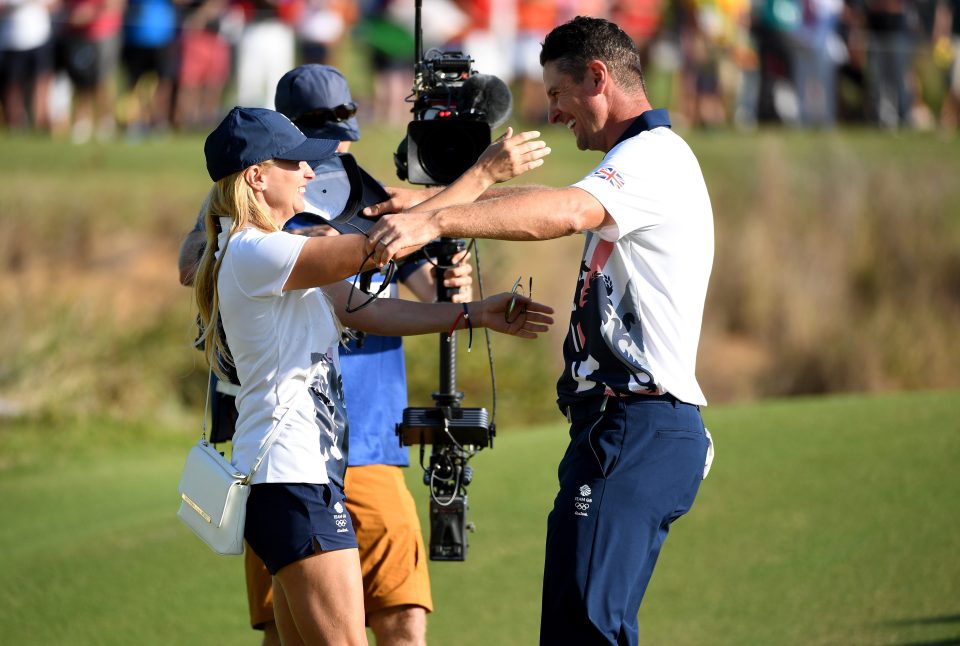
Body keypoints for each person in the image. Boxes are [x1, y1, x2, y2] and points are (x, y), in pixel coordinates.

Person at [364, 16, 715, 645]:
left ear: (597, 77)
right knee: (571, 630)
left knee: (589, 631)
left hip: (639, 425)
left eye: (556, 93)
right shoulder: (634, 161)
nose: (552, 113)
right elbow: (556, 194)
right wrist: (429, 204)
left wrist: (436, 223)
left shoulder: (654, 157)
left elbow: (566, 209)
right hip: (613, 430)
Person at [192, 105, 553, 645]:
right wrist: (479, 178)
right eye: (297, 163)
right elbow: (379, 247)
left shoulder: (272, 252)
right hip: (292, 481)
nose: (311, 174)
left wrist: (474, 314)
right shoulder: (257, 251)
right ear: (255, 176)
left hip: (298, 481)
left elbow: (367, 311)